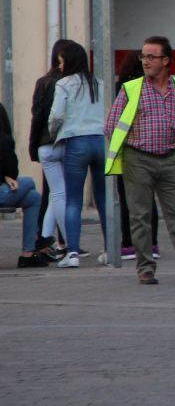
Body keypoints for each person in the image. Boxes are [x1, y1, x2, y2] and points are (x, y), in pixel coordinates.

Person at [105, 36, 175, 285]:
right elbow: (111, 125)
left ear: (166, 61)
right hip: (138, 159)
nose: (145, 61)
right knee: (140, 217)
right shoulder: (132, 88)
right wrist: (129, 151)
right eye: (143, 56)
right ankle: (145, 268)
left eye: (151, 57)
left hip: (168, 158)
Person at [49, 42, 107, 268]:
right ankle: (110, 250)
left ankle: (72, 252)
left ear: (69, 61)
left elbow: (56, 116)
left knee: (73, 200)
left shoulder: (64, 84)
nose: (60, 66)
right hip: (100, 141)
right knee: (103, 198)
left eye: (61, 61)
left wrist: (54, 134)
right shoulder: (99, 84)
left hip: (76, 142)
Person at [29, 38, 72, 258]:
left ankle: (45, 239)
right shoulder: (72, 82)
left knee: (52, 193)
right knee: (63, 194)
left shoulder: (44, 82)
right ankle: (65, 242)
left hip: (46, 143)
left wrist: (33, 145)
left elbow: (37, 116)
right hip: (68, 143)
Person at [114, 51, 159, 261]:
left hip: (128, 149)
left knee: (127, 199)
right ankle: (153, 243)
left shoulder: (122, 88)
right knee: (149, 198)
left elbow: (112, 123)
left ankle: (128, 244)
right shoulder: (152, 88)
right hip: (152, 149)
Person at [0, 103, 50, 268]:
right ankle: (32, 247)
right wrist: (7, 176)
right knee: (28, 182)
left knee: (34, 198)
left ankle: (29, 252)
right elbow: (11, 164)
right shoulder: (3, 140)